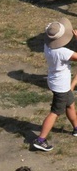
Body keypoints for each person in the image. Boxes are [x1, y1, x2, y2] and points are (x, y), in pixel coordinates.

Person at [31, 18, 77, 151]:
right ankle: (40, 139)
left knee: (70, 105)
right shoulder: (63, 52)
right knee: (55, 113)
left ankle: (76, 128)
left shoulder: (47, 46)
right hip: (61, 86)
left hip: (55, 82)